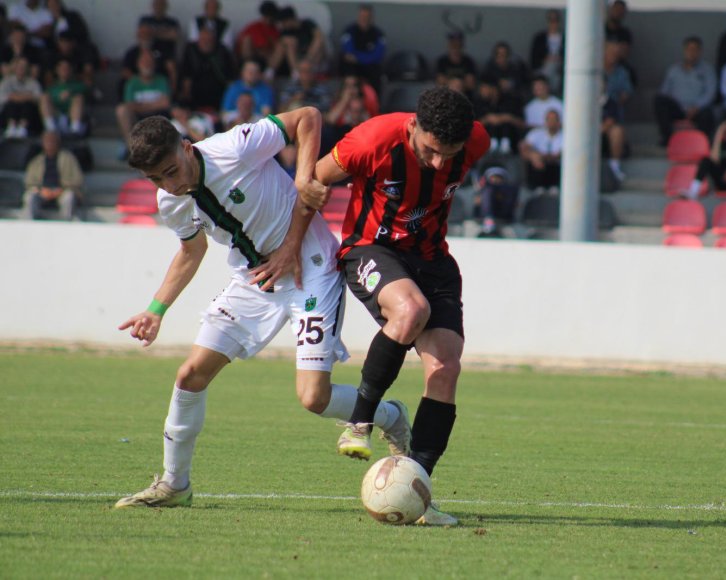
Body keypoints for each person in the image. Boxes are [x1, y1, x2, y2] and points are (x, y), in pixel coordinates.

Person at [113, 107, 411, 509]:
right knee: (190, 375)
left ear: (186, 148)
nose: (169, 183)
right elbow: (190, 250)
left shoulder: (234, 147)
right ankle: (174, 484)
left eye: (171, 170)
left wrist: (304, 180)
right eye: (155, 179)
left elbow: (306, 118)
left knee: (313, 398)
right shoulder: (171, 201)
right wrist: (156, 309)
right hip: (255, 281)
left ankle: (389, 416)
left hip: (312, 270)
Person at [283, 87, 490, 526]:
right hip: (369, 249)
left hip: (434, 259)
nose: (438, 163)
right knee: (410, 310)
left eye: (447, 155)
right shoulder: (371, 142)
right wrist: (291, 246)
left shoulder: (476, 140)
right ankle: (360, 421)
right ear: (413, 126)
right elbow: (312, 182)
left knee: (445, 368)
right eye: (430, 151)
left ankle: (418, 490)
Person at [653, 35, 717, 145]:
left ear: (700, 52)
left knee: (708, 113)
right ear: (684, 50)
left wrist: (697, 107)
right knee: (659, 100)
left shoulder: (707, 70)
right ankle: (668, 139)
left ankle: (700, 143)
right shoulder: (673, 70)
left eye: (695, 49)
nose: (692, 53)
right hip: (678, 108)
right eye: (689, 49)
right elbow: (664, 92)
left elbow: (710, 93)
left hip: (698, 109)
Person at [116, 51, 171, 155]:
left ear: (154, 64)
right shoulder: (132, 82)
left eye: (149, 62)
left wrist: (141, 106)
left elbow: (165, 103)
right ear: (138, 64)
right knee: (121, 110)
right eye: (144, 62)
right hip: (137, 119)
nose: (147, 64)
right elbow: (129, 105)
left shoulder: (161, 80)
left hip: (158, 119)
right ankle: (132, 148)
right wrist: (153, 105)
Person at [22, 129, 83, 220]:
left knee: (69, 197)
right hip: (42, 192)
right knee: (29, 197)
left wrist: (60, 190)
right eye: (47, 141)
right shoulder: (37, 161)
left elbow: (77, 180)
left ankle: (66, 224)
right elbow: (29, 182)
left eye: (52, 141)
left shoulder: (68, 159)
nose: (49, 143)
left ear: (58, 142)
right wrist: (41, 190)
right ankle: (33, 223)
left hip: (62, 191)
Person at [175, 25, 235, 115]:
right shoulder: (191, 50)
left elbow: (230, 77)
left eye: (209, 40)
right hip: (195, 96)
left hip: (218, 96)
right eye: (203, 39)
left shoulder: (222, 51)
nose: (206, 42)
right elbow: (186, 76)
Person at [267, 6, 327, 80]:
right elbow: (280, 47)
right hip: (295, 60)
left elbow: (319, 37)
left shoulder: (307, 24)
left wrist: (308, 57)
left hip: (313, 57)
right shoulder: (286, 32)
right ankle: (272, 72)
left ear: (289, 20)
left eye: (283, 22)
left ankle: (302, 71)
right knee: (286, 43)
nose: (282, 25)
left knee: (319, 42)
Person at [339, 4, 386, 94]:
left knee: (376, 72)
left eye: (367, 17)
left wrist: (359, 58)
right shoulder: (350, 31)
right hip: (353, 66)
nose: (364, 19)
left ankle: (375, 102)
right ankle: (345, 97)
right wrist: (364, 57)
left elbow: (378, 55)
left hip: (369, 67)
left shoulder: (378, 34)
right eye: (362, 16)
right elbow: (348, 52)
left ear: (371, 18)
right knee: (346, 65)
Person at [473, 74, 525, 155]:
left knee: (506, 124)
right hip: (486, 143)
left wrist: (507, 118)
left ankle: (505, 145)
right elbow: (473, 127)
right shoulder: (479, 103)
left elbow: (522, 124)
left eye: (485, 88)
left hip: (510, 142)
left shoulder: (511, 101)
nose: (482, 91)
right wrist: (487, 119)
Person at [520, 108, 563, 194]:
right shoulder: (536, 133)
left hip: (556, 166)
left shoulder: (565, 135)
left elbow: (561, 154)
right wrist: (533, 155)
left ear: (559, 121)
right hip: (539, 166)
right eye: (549, 119)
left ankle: (554, 187)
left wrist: (546, 157)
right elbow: (524, 148)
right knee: (536, 160)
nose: (551, 122)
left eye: (554, 119)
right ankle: (538, 187)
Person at [39, 57, 87, 136]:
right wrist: (58, 97)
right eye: (62, 68)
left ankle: (75, 130)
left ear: (71, 70)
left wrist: (70, 91)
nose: (64, 70)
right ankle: (51, 129)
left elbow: (85, 89)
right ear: (57, 70)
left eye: (67, 68)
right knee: (44, 98)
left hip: (72, 118)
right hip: (56, 117)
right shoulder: (52, 87)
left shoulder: (78, 85)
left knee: (78, 98)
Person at [221, 59, 273, 128]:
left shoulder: (265, 89)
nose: (251, 74)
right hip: (236, 119)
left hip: (255, 120)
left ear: (259, 74)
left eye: (255, 71)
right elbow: (224, 112)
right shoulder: (234, 87)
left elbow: (266, 113)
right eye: (249, 71)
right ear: (242, 72)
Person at [0, 56, 42, 138]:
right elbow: (3, 98)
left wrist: (16, 96)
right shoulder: (6, 81)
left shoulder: (33, 82)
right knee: (11, 104)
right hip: (8, 113)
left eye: (23, 67)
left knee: (27, 105)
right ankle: (11, 127)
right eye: (19, 67)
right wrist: (24, 96)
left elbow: (38, 98)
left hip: (29, 116)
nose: (21, 69)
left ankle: (23, 128)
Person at [475, 164, 518, 237]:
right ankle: (489, 219)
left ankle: (489, 220)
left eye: (498, 178)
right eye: (493, 177)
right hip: (484, 218)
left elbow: (509, 207)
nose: (495, 180)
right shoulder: (485, 191)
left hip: (504, 218)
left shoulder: (509, 190)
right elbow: (477, 209)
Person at [529, 9, 564, 94]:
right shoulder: (540, 38)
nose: (553, 24)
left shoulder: (565, 38)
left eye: (555, 21)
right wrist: (546, 59)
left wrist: (559, 59)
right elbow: (534, 58)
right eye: (551, 20)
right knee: (550, 68)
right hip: (543, 68)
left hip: (560, 69)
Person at [603, 39, 633, 123]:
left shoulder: (622, 72)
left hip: (612, 109)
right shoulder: (595, 72)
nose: (614, 56)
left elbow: (626, 92)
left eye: (615, 54)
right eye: (611, 53)